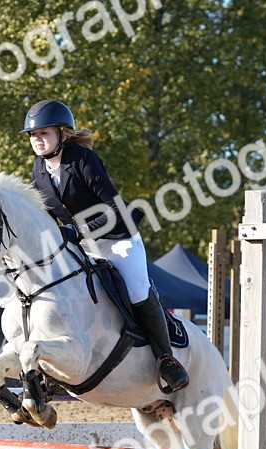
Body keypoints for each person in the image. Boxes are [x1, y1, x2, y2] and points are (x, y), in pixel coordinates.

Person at [21, 99, 189, 394]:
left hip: (118, 239)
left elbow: (115, 208)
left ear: (62, 134)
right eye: (34, 135)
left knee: (137, 291)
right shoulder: (39, 169)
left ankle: (167, 359)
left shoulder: (81, 159)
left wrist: (79, 231)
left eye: (44, 133)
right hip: (80, 245)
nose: (37, 140)